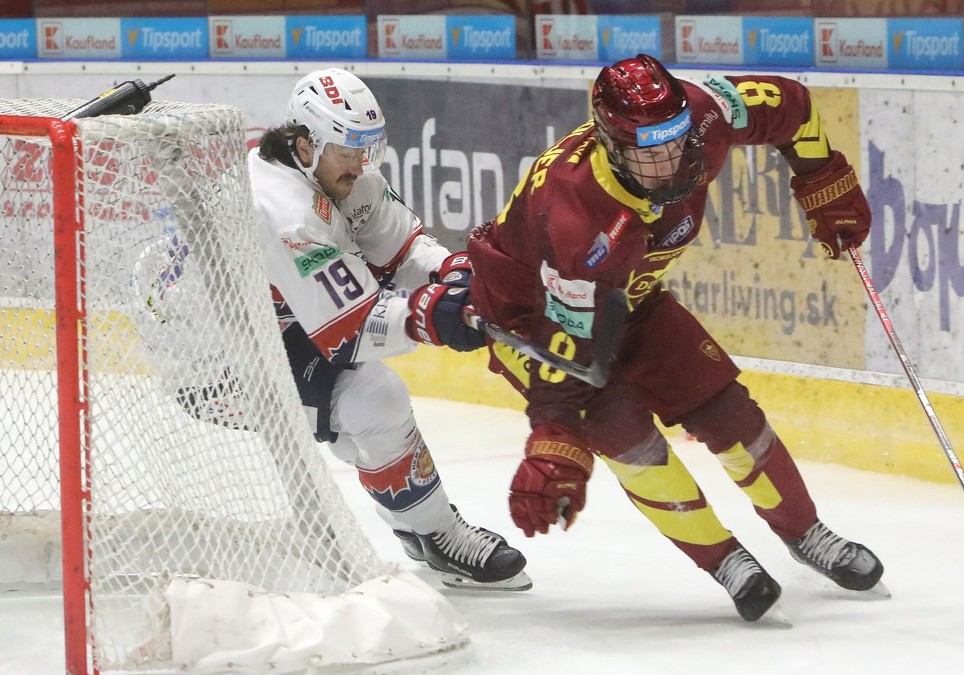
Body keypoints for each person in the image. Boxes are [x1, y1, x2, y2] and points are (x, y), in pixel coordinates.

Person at [407, 54, 883, 620]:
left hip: (630, 297)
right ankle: (724, 558)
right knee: (623, 434)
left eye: (675, 140)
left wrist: (821, 174)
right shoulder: (580, 221)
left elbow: (792, 106)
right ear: (611, 145)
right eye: (648, 151)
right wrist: (556, 437)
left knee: (729, 413)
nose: (671, 161)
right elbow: (570, 347)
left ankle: (807, 535)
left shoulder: (704, 116)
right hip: (532, 319)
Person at [248, 67, 530, 591]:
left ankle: (421, 530)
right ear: (305, 145)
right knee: (373, 402)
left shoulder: (337, 173)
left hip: (284, 327)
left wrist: (461, 276)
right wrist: (435, 316)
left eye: (366, 149)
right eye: (348, 151)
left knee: (371, 417)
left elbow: (403, 252)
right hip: (220, 358)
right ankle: (436, 533)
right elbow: (350, 330)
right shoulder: (282, 211)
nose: (361, 164)